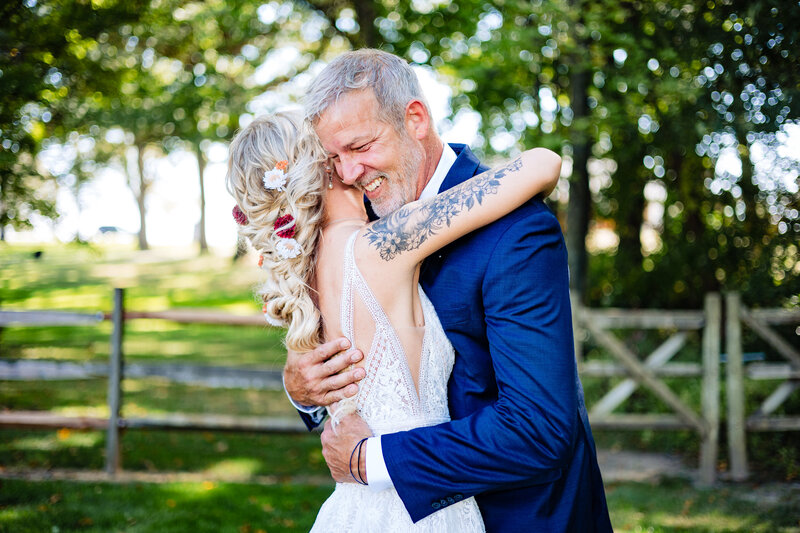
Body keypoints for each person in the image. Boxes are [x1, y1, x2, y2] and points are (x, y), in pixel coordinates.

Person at [283, 49, 613, 532]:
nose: (350, 172)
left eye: (361, 146)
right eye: (334, 158)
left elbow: (539, 429)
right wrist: (304, 391)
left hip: (521, 519)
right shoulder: (359, 233)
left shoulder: (516, 232)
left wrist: (370, 461)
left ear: (415, 118)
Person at [226, 108, 561, 531]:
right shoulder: (384, 242)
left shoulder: (304, 273)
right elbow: (544, 164)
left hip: (355, 504)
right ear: (323, 164)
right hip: (420, 504)